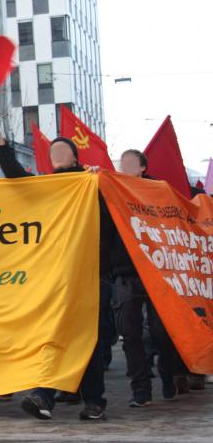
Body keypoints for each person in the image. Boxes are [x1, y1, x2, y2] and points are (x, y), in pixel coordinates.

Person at [0, 118, 109, 421]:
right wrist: (0, 143)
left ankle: (93, 400)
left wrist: (97, 180)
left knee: (86, 338)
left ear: (76, 157)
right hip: (54, 274)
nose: (56, 154)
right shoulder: (47, 187)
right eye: (53, 151)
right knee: (52, 333)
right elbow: (15, 176)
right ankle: (44, 395)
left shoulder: (90, 182)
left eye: (62, 150)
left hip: (89, 274)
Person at [112, 149, 189, 406]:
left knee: (162, 333)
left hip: (159, 274)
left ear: (143, 167)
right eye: (123, 163)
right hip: (126, 274)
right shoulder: (111, 191)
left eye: (131, 163)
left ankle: (168, 376)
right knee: (130, 334)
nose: (125, 166)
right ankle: (141, 390)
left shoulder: (159, 191)